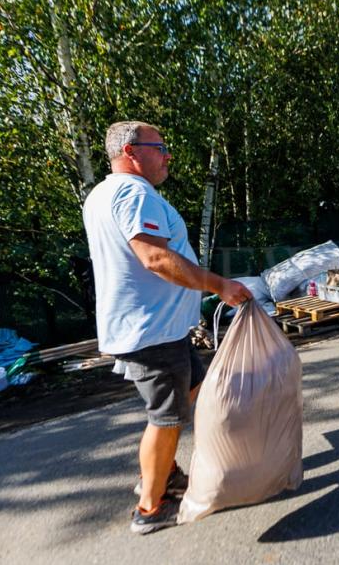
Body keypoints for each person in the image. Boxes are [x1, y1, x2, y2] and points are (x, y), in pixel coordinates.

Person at [82, 121, 252, 534]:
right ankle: (150, 507)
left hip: (157, 329)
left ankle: (169, 474)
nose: (167, 155)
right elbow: (155, 259)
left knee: (199, 391)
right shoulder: (133, 193)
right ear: (131, 151)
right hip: (151, 333)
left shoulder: (102, 194)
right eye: (159, 147)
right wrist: (220, 284)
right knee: (167, 416)